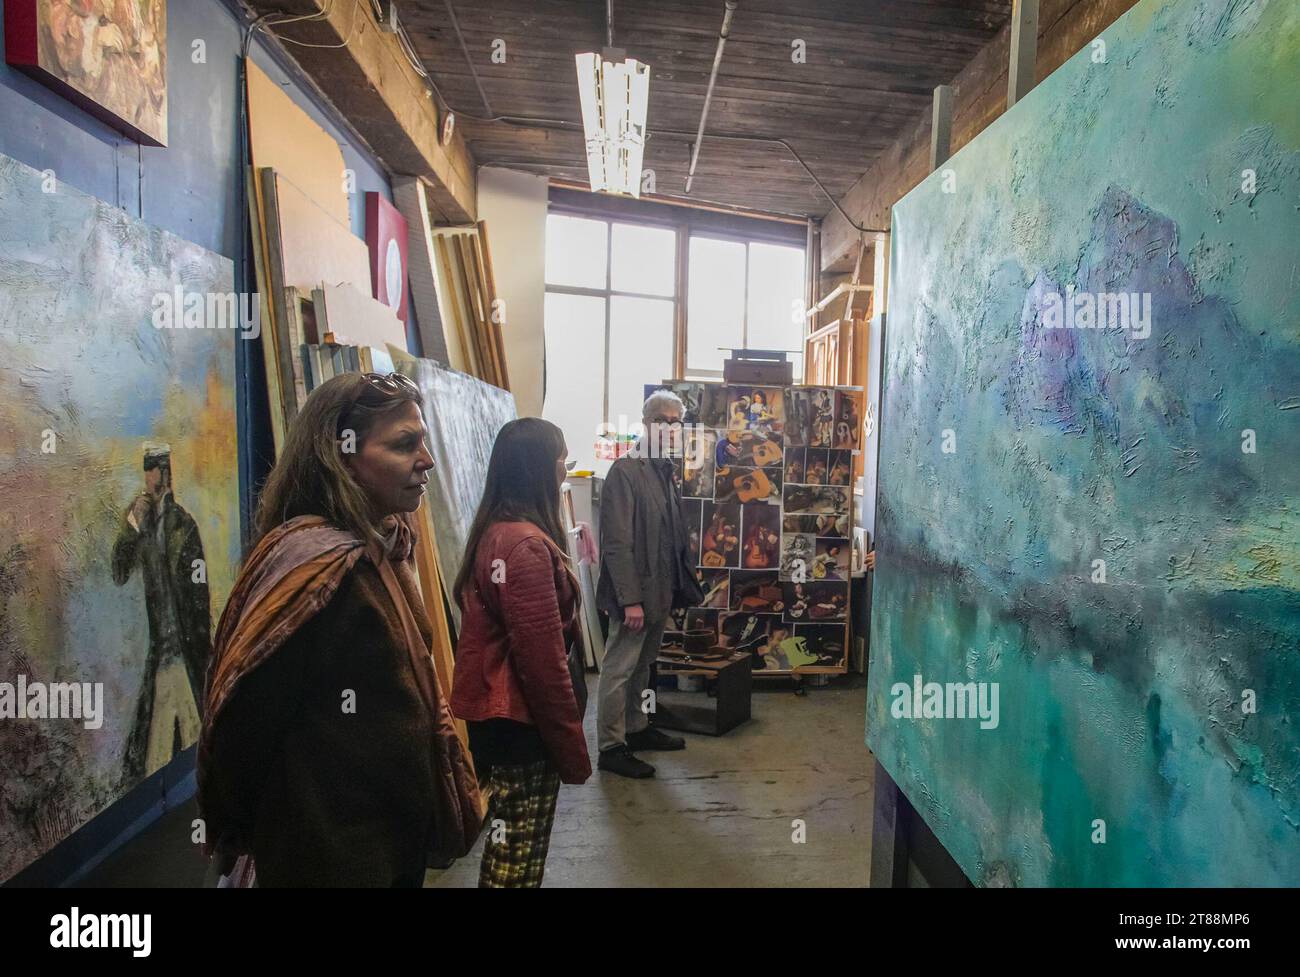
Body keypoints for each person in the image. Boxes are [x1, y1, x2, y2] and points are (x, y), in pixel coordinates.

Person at [198, 372, 481, 887]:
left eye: (423, 441)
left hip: (388, 840)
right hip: (333, 854)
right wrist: (251, 828)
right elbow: (246, 726)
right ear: (341, 456)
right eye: (404, 445)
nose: (427, 461)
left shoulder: (384, 547)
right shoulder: (322, 574)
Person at [450, 418, 591, 888]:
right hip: (520, 726)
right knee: (517, 860)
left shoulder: (499, 531)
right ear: (538, 470)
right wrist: (571, 749)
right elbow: (543, 663)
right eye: (561, 462)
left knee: (510, 849)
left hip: (503, 722)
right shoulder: (524, 545)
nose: (564, 473)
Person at [595, 391, 704, 778]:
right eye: (663, 420)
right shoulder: (626, 472)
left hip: (659, 591)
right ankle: (610, 746)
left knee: (644, 666)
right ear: (646, 424)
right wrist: (630, 601)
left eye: (677, 422)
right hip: (635, 597)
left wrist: (679, 586)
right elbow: (616, 543)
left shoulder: (664, 470)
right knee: (619, 669)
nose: (671, 428)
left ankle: (637, 728)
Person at [112, 441, 210, 783]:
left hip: (185, 652)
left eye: (164, 469)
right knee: (156, 751)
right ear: (147, 474)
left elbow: (200, 597)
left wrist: (203, 652)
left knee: (195, 737)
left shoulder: (184, 525)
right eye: (154, 469)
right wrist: (131, 526)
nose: (161, 476)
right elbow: (119, 572)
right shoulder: (141, 523)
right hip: (160, 655)